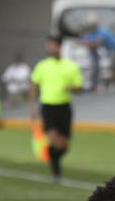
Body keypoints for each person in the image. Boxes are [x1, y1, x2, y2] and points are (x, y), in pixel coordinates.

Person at [30, 34, 84, 184]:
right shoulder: (42, 65)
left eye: (53, 45)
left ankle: (52, 156)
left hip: (64, 107)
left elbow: (80, 88)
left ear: (59, 46)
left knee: (64, 146)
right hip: (48, 106)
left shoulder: (71, 66)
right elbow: (34, 86)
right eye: (49, 45)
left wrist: (71, 87)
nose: (50, 48)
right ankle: (56, 172)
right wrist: (33, 106)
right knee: (53, 139)